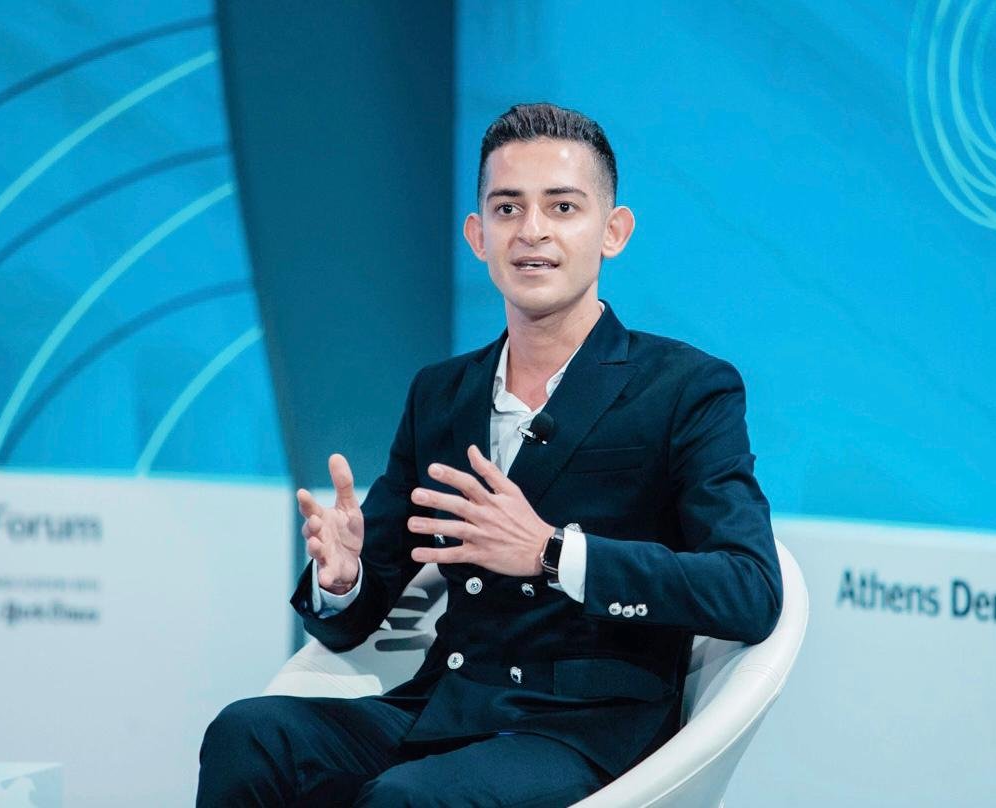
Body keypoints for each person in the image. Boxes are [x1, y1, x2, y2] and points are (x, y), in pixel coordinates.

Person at [197, 102, 783, 807]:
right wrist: (344, 577)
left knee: (408, 800)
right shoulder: (442, 394)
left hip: (584, 733)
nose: (532, 230)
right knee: (248, 735)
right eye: (508, 209)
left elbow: (749, 589)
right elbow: (354, 618)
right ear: (478, 235)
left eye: (562, 207)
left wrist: (551, 552)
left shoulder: (685, 388)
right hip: (443, 708)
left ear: (613, 231)